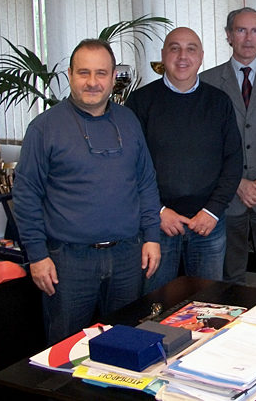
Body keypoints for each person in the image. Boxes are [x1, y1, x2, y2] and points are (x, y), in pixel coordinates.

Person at [14, 39, 161, 343]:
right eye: (84, 73)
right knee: (64, 351)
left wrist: (153, 238)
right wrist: (37, 255)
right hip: (68, 262)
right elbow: (27, 195)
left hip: (127, 256)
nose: (92, 82)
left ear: (112, 77)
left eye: (101, 73)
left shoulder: (129, 120)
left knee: (124, 343)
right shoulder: (44, 128)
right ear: (69, 74)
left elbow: (145, 182)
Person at [126, 27, 242, 293]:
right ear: (164, 55)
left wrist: (213, 210)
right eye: (174, 48)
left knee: (208, 305)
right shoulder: (141, 102)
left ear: (201, 57)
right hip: (158, 226)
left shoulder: (219, 102)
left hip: (208, 225)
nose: (182, 56)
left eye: (191, 49)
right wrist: (158, 212)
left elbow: (233, 161)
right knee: (156, 304)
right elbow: (129, 166)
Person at [200, 8, 256, 291]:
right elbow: (205, 146)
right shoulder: (206, 82)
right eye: (241, 30)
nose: (248, 38)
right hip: (227, 197)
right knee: (230, 277)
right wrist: (237, 183)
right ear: (228, 35)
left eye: (255, 31)